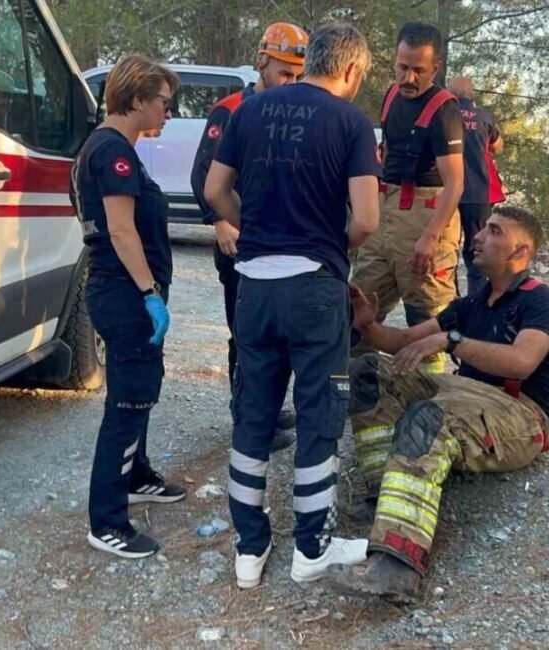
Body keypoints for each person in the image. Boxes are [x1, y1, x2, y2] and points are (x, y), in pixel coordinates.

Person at [204, 23, 380, 590]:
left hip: (253, 282)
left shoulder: (249, 110)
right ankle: (312, 548)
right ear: (351, 70)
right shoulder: (351, 122)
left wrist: (253, 228)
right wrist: (330, 245)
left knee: (253, 414)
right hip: (313, 287)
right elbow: (368, 220)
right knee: (318, 415)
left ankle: (249, 550)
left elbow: (213, 192)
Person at [328, 205, 549, 603]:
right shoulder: (471, 305)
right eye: (483, 229)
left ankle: (398, 566)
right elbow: (405, 342)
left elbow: (523, 362)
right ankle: (382, 493)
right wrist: (368, 325)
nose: (478, 237)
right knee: (366, 370)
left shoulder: (543, 303)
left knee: (428, 418)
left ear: (520, 252)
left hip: (521, 413)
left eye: (493, 231)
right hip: (463, 396)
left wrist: (452, 342)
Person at [70, 55, 187, 559]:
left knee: (140, 389)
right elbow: (119, 229)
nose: (168, 111)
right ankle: (107, 519)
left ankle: (135, 473)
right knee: (127, 402)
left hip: (125, 289)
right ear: (136, 99)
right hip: (124, 292)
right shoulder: (113, 152)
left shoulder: (113, 148)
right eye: (163, 102)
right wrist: (149, 294)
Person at [190, 22, 311, 453]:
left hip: (276, 243)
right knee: (245, 334)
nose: (290, 84)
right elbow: (202, 172)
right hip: (238, 241)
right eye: (284, 74)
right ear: (262, 61)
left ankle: (270, 406)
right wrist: (219, 220)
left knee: (276, 333)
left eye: (298, 76)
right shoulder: (231, 109)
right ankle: (247, 417)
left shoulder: (294, 112)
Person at [350, 22, 464, 375]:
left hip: (425, 216)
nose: (409, 78)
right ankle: (356, 397)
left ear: (436, 68)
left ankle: (430, 404)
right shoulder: (390, 96)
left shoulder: (445, 110)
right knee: (358, 307)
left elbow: (455, 183)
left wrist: (430, 237)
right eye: (403, 67)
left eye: (418, 70)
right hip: (385, 211)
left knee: (426, 313)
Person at [447, 76, 505, 295]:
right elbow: (497, 147)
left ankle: (450, 297)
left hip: (447, 192)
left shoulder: (443, 114)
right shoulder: (484, 117)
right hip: (478, 193)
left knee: (445, 248)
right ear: (472, 95)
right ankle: (476, 299)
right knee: (477, 248)